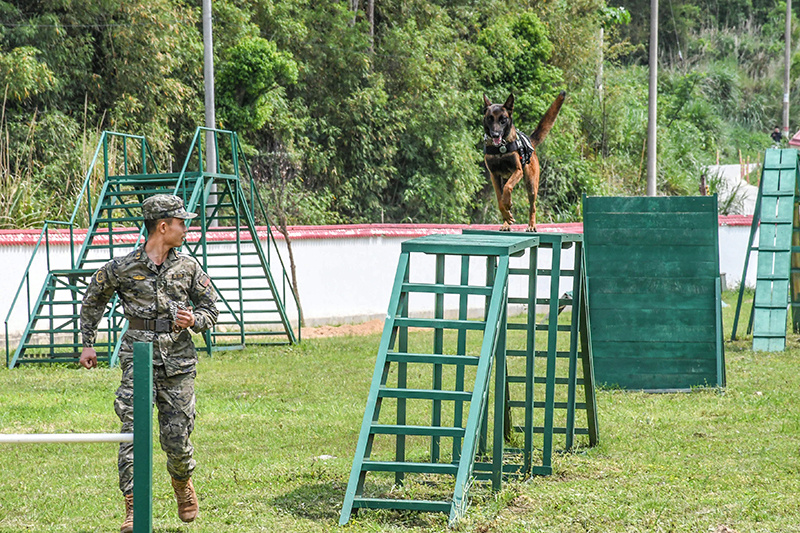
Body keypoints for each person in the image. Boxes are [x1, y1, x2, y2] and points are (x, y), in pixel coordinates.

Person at [79, 194, 218, 533]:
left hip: (178, 363)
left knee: (178, 437)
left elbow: (211, 310)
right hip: (137, 361)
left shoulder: (188, 267)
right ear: (163, 226)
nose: (186, 229)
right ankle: (133, 506)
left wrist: (194, 320)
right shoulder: (123, 267)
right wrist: (87, 344)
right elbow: (93, 298)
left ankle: (182, 482)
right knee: (131, 432)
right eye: (181, 223)